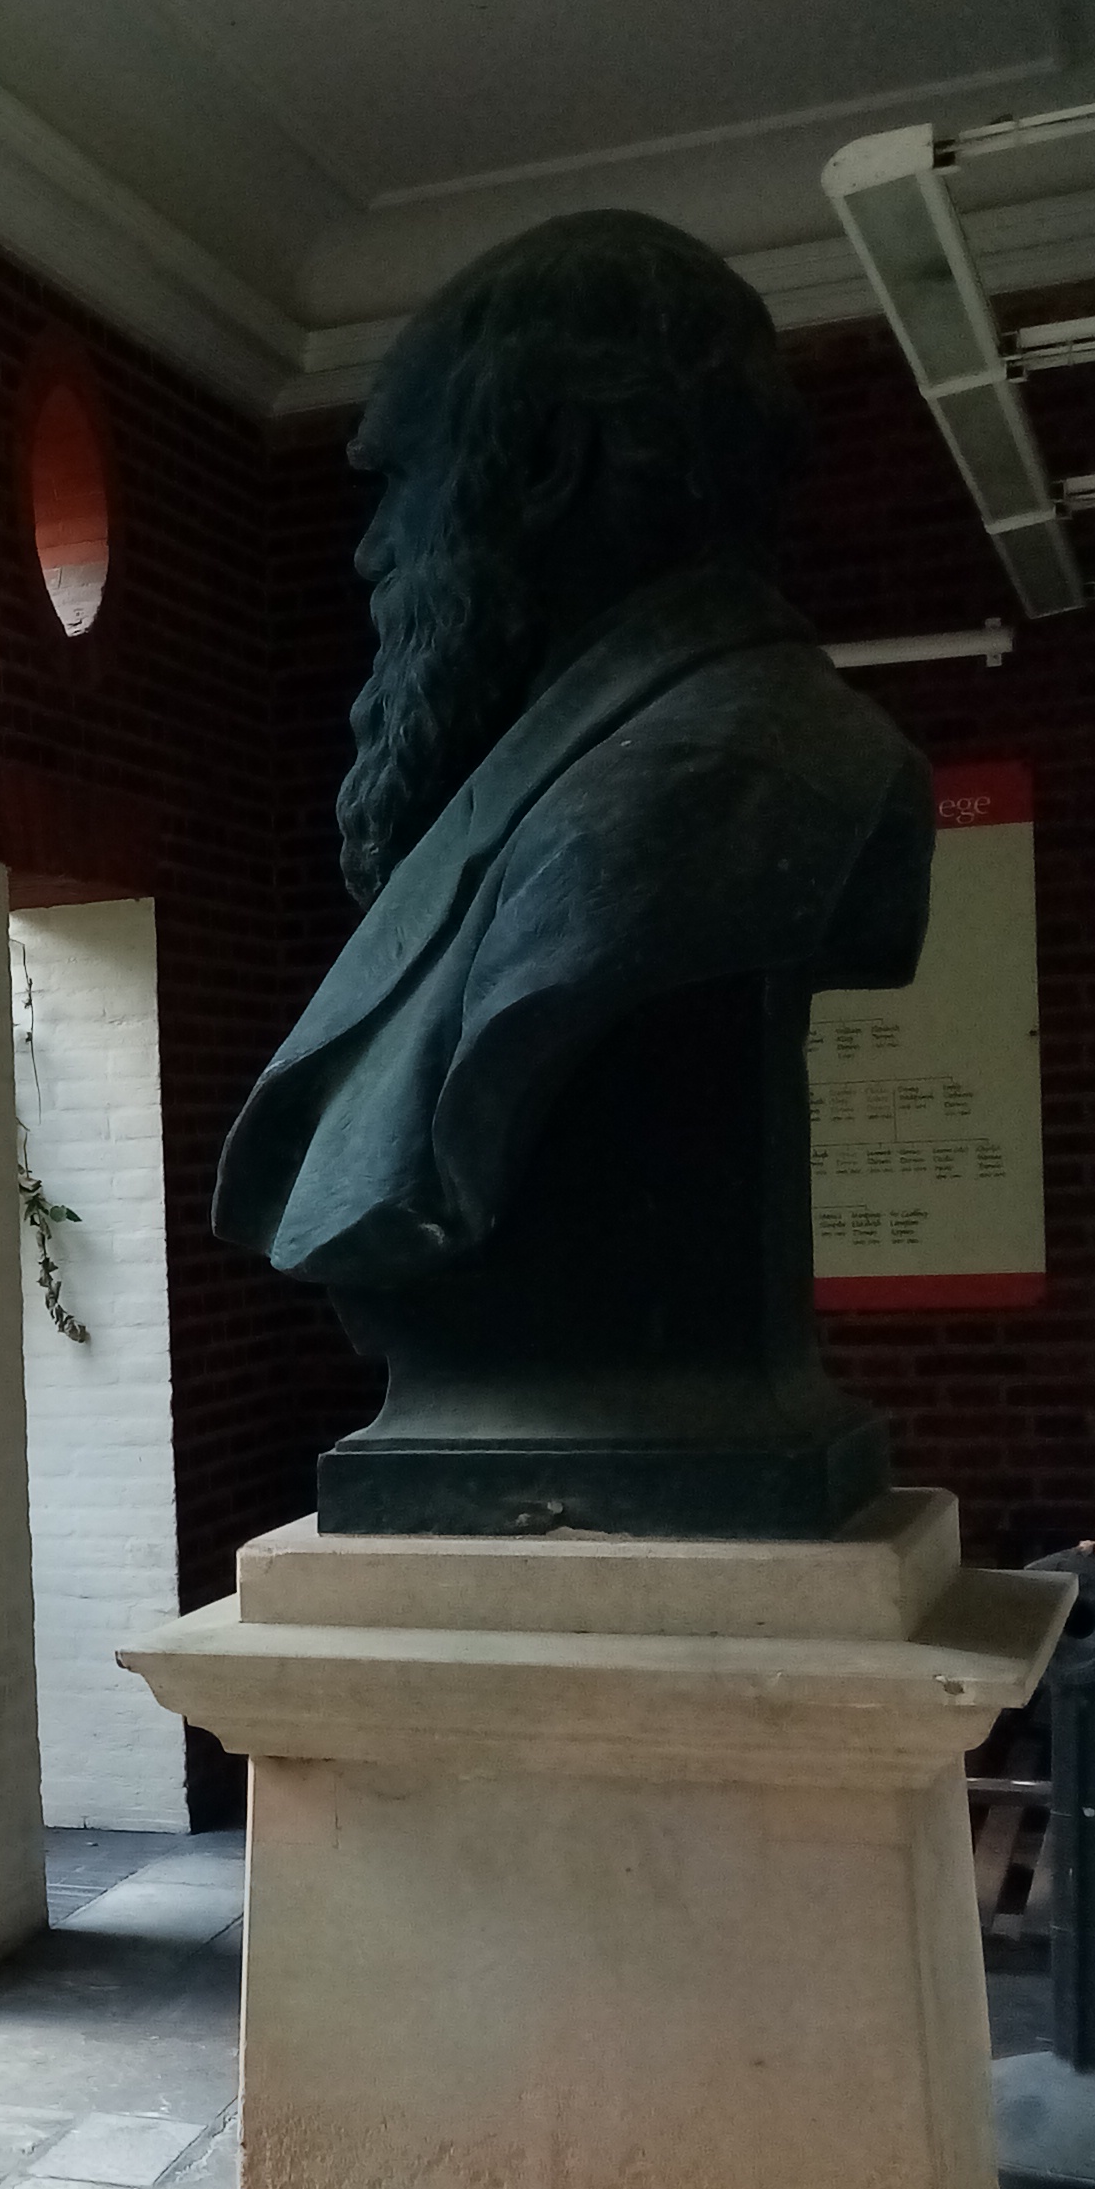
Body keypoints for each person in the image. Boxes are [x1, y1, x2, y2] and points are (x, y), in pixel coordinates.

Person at [215, 211, 932, 1539]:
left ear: (544, 462)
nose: (369, 551)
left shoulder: (707, 789)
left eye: (397, 483)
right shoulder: (589, 782)